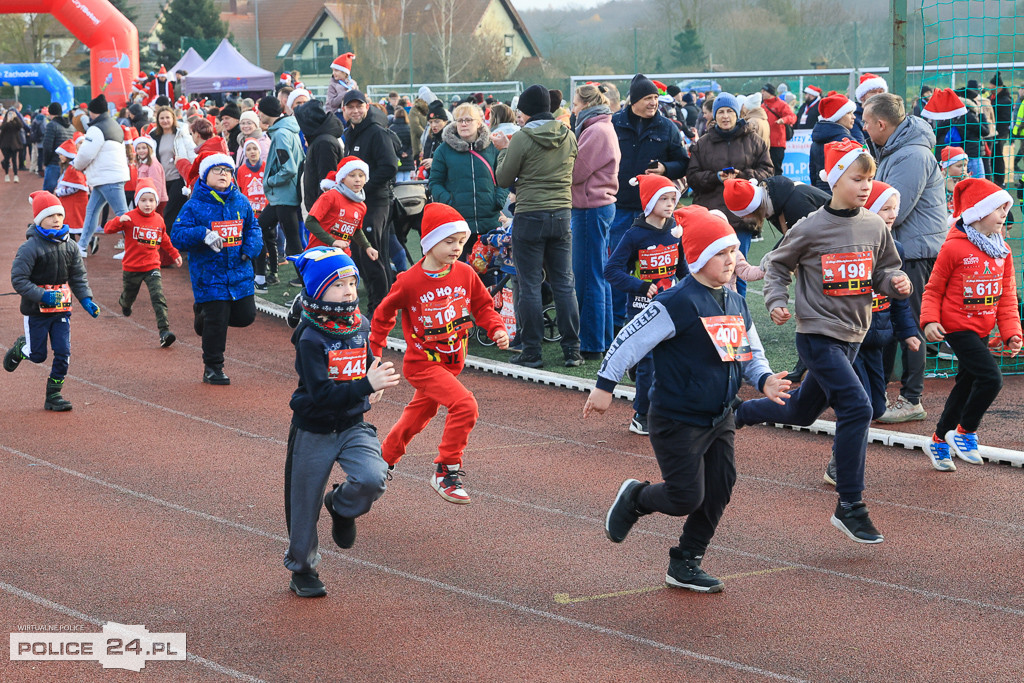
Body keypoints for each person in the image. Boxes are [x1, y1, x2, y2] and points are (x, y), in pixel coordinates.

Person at [587, 204, 790, 593]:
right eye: (721, 253)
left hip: (720, 417)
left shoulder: (734, 300)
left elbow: (749, 348)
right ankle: (636, 497)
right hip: (677, 417)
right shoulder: (676, 301)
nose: (731, 260)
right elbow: (629, 339)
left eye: (734, 251)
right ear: (696, 257)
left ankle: (686, 561)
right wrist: (604, 386)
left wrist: (763, 379)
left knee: (720, 486)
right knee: (684, 496)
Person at [736, 140, 912, 544]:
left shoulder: (872, 226)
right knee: (858, 405)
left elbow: (884, 270)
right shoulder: (811, 225)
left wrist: (895, 284)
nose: (866, 186)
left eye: (870, 179)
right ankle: (850, 505)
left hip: (853, 334)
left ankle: (737, 414)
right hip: (817, 335)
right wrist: (777, 299)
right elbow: (778, 264)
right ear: (834, 180)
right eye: (857, 178)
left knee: (800, 409)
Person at [369, 204, 509, 504]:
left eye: (461, 241)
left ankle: (381, 460)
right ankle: (446, 470)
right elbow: (382, 315)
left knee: (418, 415)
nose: (457, 248)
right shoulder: (409, 281)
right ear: (430, 241)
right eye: (449, 241)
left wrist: (495, 328)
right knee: (465, 405)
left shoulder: (465, 273)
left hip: (452, 362)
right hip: (422, 364)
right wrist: (375, 355)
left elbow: (483, 306)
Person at [282, 247, 399, 598]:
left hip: (351, 426)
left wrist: (371, 381)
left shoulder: (360, 324)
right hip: (314, 428)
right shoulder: (310, 336)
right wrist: (366, 385)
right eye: (338, 284)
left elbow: (364, 364)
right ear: (318, 291)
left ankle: (341, 506)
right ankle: (303, 569)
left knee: (373, 477)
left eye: (351, 282)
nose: (349, 290)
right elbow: (321, 394)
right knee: (303, 507)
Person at [822, 181, 920, 484]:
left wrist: (908, 332)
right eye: (885, 208)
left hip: (877, 340)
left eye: (894, 208)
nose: (892, 214)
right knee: (860, 405)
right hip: (849, 341)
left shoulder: (897, 248)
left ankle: (821, 395)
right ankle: (839, 466)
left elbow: (899, 299)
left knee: (877, 406)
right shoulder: (849, 247)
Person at [920, 179, 1022, 471]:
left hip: (982, 330)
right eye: (998, 208)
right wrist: (929, 321)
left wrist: (1011, 333)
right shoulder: (953, 249)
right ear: (977, 213)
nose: (1005, 213)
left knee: (965, 385)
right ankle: (965, 432)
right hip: (956, 327)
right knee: (991, 379)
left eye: (1006, 208)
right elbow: (933, 290)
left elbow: (1006, 298)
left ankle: (939, 439)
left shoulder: (1003, 251)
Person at [863, 93, 947, 424]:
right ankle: (877, 391)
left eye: (868, 123)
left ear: (882, 124)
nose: (865, 128)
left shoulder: (911, 155)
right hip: (899, 250)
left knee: (910, 323)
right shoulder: (898, 150)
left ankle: (912, 398)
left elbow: (891, 209)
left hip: (914, 253)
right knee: (888, 320)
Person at [492, 83, 581, 368]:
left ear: (527, 111)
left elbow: (504, 178)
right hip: (562, 214)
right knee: (565, 283)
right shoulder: (568, 135)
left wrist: (504, 151)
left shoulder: (522, 137)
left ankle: (532, 350)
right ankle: (572, 350)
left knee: (529, 284)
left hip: (530, 214)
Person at [170, 151, 263, 385]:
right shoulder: (194, 205)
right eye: (217, 170)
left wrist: (250, 249)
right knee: (218, 320)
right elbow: (177, 236)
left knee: (245, 317)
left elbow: (253, 228)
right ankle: (213, 367)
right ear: (205, 175)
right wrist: (203, 234)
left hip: (239, 272)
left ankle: (203, 313)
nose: (224, 174)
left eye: (228, 171)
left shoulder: (240, 200)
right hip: (208, 275)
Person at [604, 174, 685, 436]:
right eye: (664, 198)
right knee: (649, 361)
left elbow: (682, 268)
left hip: (669, 307)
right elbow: (612, 271)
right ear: (649, 202)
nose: (670, 204)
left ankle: (663, 404)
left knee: (671, 359)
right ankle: (641, 415)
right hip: (641, 308)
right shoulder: (634, 235)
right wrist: (639, 285)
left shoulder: (675, 230)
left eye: (673, 198)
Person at [5, 191, 101, 410]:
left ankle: (54, 395)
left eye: (59, 214)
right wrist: (43, 295)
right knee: (38, 355)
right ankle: (22, 348)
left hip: (61, 312)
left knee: (63, 352)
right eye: (50, 216)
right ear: (39, 219)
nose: (57, 219)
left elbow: (78, 276)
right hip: (36, 312)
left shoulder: (70, 246)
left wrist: (86, 299)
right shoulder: (30, 248)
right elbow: (18, 280)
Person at [609, 74, 690, 327]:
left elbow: (684, 163)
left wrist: (666, 168)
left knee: (656, 270)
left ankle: (656, 320)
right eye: (647, 98)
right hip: (620, 208)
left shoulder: (667, 127)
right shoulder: (614, 124)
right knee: (619, 268)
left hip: (654, 215)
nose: (653, 102)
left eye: (655, 97)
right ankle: (616, 323)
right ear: (634, 100)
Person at [685, 91, 773, 296]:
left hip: (742, 217)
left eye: (729, 112)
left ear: (737, 114)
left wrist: (742, 176)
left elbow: (768, 172)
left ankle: (739, 318)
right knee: (710, 271)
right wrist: (716, 177)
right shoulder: (703, 144)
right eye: (721, 112)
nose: (725, 116)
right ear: (714, 116)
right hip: (712, 216)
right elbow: (692, 177)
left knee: (738, 271)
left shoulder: (754, 141)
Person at [570, 83, 620, 359]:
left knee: (589, 277)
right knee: (598, 275)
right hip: (597, 207)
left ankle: (591, 343)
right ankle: (602, 339)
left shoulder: (596, 130)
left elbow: (577, 171)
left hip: (590, 208)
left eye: (575, 103)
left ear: (586, 105)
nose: (572, 108)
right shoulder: (602, 127)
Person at [103, 178, 182, 347]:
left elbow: (164, 239)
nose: (148, 204)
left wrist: (174, 254)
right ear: (137, 201)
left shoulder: (159, 220)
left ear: (156, 202)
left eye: (151, 200)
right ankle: (125, 302)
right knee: (129, 295)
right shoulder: (130, 217)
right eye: (143, 200)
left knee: (158, 297)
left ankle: (164, 332)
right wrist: (119, 221)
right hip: (132, 267)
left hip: (152, 266)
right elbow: (107, 229)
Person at [342, 89, 400, 317]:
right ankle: (380, 304)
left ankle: (379, 307)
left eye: (359, 106)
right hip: (358, 203)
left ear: (367, 107)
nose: (355, 110)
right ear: (344, 110)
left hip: (377, 202)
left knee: (371, 252)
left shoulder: (376, 133)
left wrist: (362, 188)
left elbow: (389, 167)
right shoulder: (350, 133)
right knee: (360, 253)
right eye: (351, 107)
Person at [428, 103, 508, 260]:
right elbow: (435, 182)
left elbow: (503, 178)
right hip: (458, 225)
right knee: (462, 273)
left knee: (491, 274)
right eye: (459, 120)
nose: (463, 124)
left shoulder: (493, 147)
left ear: (479, 123)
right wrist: (450, 202)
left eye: (468, 120)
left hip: (489, 222)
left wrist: (498, 200)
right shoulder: (443, 150)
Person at [74, 94, 131, 258]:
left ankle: (132, 248)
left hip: (108, 177)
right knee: (92, 211)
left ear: (92, 112)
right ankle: (82, 246)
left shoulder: (96, 128)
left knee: (122, 214)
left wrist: (77, 165)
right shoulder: (114, 124)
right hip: (110, 176)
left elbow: (85, 154)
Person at [257, 95, 304, 287]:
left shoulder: (281, 133)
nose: (258, 115)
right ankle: (265, 274)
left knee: (293, 241)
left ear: (266, 112)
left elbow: (289, 168)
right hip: (283, 196)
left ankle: (305, 280)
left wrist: (270, 180)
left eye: (260, 111)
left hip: (284, 195)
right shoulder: (285, 130)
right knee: (260, 227)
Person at [304, 156, 378, 262]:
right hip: (319, 254)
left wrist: (367, 246)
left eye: (361, 176)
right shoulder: (331, 196)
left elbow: (356, 230)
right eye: (352, 175)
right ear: (342, 178)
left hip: (343, 255)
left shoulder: (362, 205)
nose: (357, 179)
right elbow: (310, 222)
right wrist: (333, 241)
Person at [296, 99, 346, 212]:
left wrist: (320, 212)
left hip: (322, 212)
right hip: (317, 209)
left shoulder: (324, 143)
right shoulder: (320, 140)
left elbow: (327, 181)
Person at [926, 88, 988, 180]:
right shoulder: (968, 116)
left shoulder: (950, 117)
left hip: (955, 156)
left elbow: (936, 133)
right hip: (971, 154)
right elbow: (985, 131)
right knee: (979, 182)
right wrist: (981, 113)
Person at [151, 105, 194, 229]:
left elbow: (191, 152)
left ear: (173, 118)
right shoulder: (154, 136)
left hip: (178, 178)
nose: (165, 121)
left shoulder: (181, 134)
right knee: (164, 210)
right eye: (162, 118)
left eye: (167, 118)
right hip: (162, 180)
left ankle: (169, 241)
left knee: (170, 211)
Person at [809, 93, 862, 193]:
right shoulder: (846, 141)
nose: (853, 117)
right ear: (838, 116)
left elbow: (813, 173)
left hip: (821, 193)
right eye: (849, 113)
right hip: (842, 194)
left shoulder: (816, 141)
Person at [53, 138, 90, 242]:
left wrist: (59, 192)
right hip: (71, 202)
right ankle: (82, 242)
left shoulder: (72, 169)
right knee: (71, 224)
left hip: (74, 202)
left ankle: (87, 241)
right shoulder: (69, 167)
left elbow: (75, 186)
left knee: (73, 224)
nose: (60, 157)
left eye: (62, 154)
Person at [760, 83, 796, 175]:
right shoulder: (762, 106)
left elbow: (792, 117)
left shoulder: (781, 104)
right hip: (765, 144)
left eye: (764, 91)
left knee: (776, 168)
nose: (762, 93)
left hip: (777, 143)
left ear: (770, 92)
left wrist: (783, 120)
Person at [41, 103, 73, 192]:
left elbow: (47, 146)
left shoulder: (51, 125)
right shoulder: (71, 127)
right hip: (68, 165)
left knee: (48, 194)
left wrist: (46, 162)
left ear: (50, 112)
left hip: (54, 163)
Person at [989, 74, 1013, 188]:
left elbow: (1005, 120)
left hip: (1000, 134)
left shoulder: (1005, 100)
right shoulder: (993, 98)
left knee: (998, 156)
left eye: (991, 87)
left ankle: (1000, 180)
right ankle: (995, 179)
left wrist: (1000, 134)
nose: (989, 89)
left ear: (998, 86)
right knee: (993, 155)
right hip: (992, 133)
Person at [133, 135, 167, 214]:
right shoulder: (141, 163)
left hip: (154, 201)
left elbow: (156, 184)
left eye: (144, 148)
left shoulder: (153, 164)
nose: (141, 151)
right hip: (146, 200)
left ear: (150, 149)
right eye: (138, 148)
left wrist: (154, 201)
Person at [939, 146, 968, 213]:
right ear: (947, 168)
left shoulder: (966, 179)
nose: (963, 169)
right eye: (959, 166)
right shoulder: (940, 180)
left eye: (965, 165)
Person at [1, 108, 26, 183]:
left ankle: (15, 175)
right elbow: (2, 128)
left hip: (14, 144)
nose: (11, 115)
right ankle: (7, 175)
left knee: (14, 160)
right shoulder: (5, 122)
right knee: (6, 160)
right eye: (9, 113)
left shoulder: (15, 122)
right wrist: (8, 120)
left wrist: (16, 117)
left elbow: (21, 126)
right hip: (5, 144)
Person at [389, 107, 414, 182]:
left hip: (397, 157)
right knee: (407, 178)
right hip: (408, 157)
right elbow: (412, 144)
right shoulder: (409, 128)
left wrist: (400, 152)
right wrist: (407, 153)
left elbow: (391, 144)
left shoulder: (392, 128)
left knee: (399, 178)